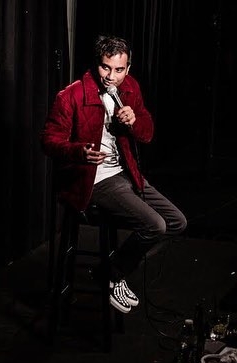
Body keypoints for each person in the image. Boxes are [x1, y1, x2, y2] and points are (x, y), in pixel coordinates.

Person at [41, 35, 187, 314]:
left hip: (126, 173)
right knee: (155, 225)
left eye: (119, 69)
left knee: (177, 222)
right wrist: (78, 151)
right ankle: (111, 275)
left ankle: (110, 272)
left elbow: (147, 134)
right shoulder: (71, 95)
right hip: (92, 179)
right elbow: (48, 140)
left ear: (128, 68)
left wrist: (135, 121)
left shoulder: (130, 87)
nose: (112, 76)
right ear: (97, 64)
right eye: (106, 68)